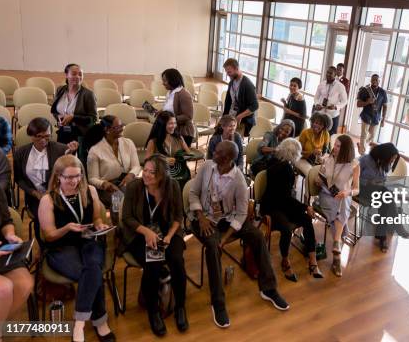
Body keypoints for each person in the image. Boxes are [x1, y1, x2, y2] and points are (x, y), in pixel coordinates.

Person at [188, 141, 289, 328]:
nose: (213, 153)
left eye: (217, 152)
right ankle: (218, 302)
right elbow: (193, 194)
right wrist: (200, 216)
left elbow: (242, 212)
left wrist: (225, 238)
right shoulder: (207, 167)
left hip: (227, 218)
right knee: (212, 246)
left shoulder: (238, 179)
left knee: (257, 236)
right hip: (204, 217)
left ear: (226, 158)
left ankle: (269, 288)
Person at [38, 155, 115, 342]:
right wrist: (66, 228)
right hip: (61, 246)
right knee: (92, 272)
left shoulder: (89, 190)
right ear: (58, 177)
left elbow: (96, 218)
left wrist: (99, 225)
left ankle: (79, 324)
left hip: (88, 239)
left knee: (92, 268)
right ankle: (100, 322)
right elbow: (49, 235)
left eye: (78, 176)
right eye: (68, 177)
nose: (74, 181)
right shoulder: (48, 200)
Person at [121, 155, 188, 336]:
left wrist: (168, 236)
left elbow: (178, 216)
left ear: (162, 176)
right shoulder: (134, 187)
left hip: (167, 230)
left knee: (176, 260)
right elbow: (127, 218)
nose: (147, 175)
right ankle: (153, 310)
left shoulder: (172, 186)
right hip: (139, 233)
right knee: (154, 261)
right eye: (146, 170)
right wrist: (147, 232)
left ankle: (180, 306)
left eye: (153, 172)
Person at [261, 138, 323, 282]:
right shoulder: (285, 169)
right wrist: (305, 206)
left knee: (306, 220)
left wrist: (303, 207)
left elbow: (285, 198)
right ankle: (285, 260)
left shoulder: (278, 163)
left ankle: (312, 259)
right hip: (272, 207)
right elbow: (285, 199)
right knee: (287, 229)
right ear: (295, 154)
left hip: (281, 204)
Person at [13, 117, 78, 242]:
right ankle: (44, 245)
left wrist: (72, 153)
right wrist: (35, 193)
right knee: (41, 217)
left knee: (63, 214)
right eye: (38, 136)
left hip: (58, 193)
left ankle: (64, 243)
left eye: (47, 136)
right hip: (34, 196)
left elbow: (70, 170)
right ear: (30, 135)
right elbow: (19, 179)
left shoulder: (61, 149)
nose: (43, 140)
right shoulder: (20, 153)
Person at [316, 135, 359, 277]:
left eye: (339, 146)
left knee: (342, 202)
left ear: (346, 149)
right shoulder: (329, 158)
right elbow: (320, 177)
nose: (335, 148)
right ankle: (337, 245)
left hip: (342, 196)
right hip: (326, 194)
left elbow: (357, 189)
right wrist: (319, 180)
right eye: (335, 145)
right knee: (340, 208)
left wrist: (348, 192)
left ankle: (336, 247)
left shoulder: (354, 165)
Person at [0, 186, 34, 342]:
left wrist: (10, 234)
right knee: (4, 289)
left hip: (1, 251)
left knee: (25, 283)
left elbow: (6, 221)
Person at [359, 143, 409, 253]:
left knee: (386, 200)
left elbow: (383, 179)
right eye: (392, 159)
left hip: (378, 191)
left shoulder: (385, 164)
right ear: (385, 155)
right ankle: (395, 227)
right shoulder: (365, 160)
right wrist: (368, 181)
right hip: (362, 191)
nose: (392, 162)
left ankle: (383, 236)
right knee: (387, 197)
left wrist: (380, 182)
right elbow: (353, 177)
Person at [86, 115, 141, 210]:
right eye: (118, 127)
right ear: (107, 130)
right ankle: (117, 223)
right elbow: (92, 178)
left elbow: (136, 166)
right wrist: (104, 184)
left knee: (141, 197)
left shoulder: (128, 143)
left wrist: (131, 174)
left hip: (126, 182)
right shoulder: (95, 150)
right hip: (107, 188)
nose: (122, 129)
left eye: (122, 126)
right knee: (119, 202)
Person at [51, 63, 97, 146]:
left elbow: (93, 119)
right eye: (74, 74)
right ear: (66, 75)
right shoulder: (60, 90)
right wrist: (58, 117)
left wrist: (73, 117)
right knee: (62, 157)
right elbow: (54, 110)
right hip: (62, 131)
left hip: (80, 135)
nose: (78, 76)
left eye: (80, 74)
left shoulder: (88, 94)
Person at [145, 111, 191, 188]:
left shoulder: (179, 138)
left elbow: (188, 153)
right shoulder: (153, 142)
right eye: (170, 123)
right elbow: (147, 161)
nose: (174, 126)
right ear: (162, 125)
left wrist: (181, 157)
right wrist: (163, 160)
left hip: (178, 172)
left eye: (175, 123)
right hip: (161, 173)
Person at [222, 58, 259, 137]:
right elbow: (228, 103)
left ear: (237, 69)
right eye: (226, 72)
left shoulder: (247, 84)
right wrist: (223, 118)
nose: (227, 74)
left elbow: (255, 105)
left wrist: (239, 117)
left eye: (229, 72)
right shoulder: (231, 82)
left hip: (244, 120)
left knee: (233, 140)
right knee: (219, 134)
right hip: (232, 116)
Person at [161, 68, 195, 147]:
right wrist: (161, 112)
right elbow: (170, 110)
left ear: (173, 80)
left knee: (178, 158)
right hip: (172, 129)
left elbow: (188, 116)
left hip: (183, 133)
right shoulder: (170, 92)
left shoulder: (184, 94)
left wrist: (170, 120)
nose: (163, 83)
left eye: (165, 81)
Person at [356, 74, 388, 155]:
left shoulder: (382, 92)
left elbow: (385, 106)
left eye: (376, 80)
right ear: (370, 80)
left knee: (372, 136)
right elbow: (358, 104)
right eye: (373, 79)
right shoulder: (365, 90)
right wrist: (367, 102)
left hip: (376, 117)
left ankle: (361, 144)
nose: (374, 81)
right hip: (366, 116)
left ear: (379, 81)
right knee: (364, 134)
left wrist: (383, 119)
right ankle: (362, 153)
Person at [313, 66, 347, 136]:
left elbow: (345, 101)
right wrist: (316, 104)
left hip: (333, 116)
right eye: (327, 72)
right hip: (321, 114)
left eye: (330, 73)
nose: (328, 74)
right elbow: (316, 97)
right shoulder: (322, 84)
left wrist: (336, 107)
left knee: (330, 136)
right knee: (317, 134)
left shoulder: (340, 86)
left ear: (335, 75)